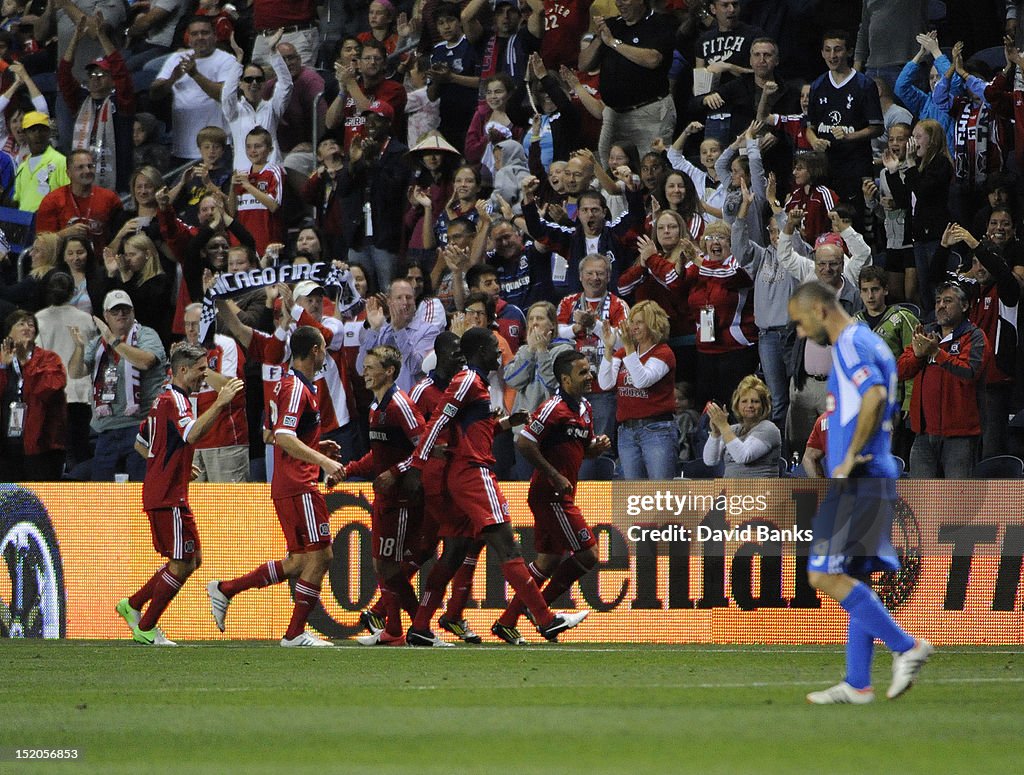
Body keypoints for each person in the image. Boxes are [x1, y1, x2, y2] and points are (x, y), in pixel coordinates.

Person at [788, 280, 933, 704]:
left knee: (822, 573)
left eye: (799, 323)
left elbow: (873, 395)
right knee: (852, 577)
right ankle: (857, 682)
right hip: (875, 474)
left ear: (819, 311)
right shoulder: (872, 343)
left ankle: (907, 646)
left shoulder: (850, 342)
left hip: (860, 477)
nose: (799, 333)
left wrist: (849, 456)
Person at [401, 327, 589, 645]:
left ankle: (420, 627)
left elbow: (471, 429)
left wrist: (504, 424)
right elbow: (438, 422)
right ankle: (545, 619)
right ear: (478, 352)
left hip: (465, 473)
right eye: (493, 348)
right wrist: (417, 467)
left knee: (455, 552)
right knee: (508, 546)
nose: (500, 353)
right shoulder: (467, 381)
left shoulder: (477, 385)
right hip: (473, 474)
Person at [207, 326, 345, 647]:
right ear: (314, 350)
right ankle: (294, 634)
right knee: (321, 557)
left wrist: (316, 444)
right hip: (300, 483)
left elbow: (275, 434)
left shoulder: (288, 384)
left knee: (298, 561)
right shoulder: (297, 387)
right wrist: (324, 463)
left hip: (287, 482)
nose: (325, 352)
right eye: (323, 347)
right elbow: (282, 436)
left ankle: (226, 589)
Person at [115, 343, 243, 646]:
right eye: (201, 369)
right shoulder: (177, 400)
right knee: (182, 562)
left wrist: (172, 461)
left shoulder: (163, 399)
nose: (205, 375)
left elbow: (140, 442)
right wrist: (221, 402)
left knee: (192, 558)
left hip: (167, 490)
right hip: (167, 495)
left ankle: (133, 605)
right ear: (183, 370)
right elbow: (193, 434)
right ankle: (146, 626)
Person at [492, 349, 612, 644]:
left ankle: (507, 622)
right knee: (588, 554)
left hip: (560, 491)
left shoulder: (584, 408)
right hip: (551, 494)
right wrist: (554, 474)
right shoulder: (553, 408)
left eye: (589, 371)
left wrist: (596, 447)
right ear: (565, 379)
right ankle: (541, 611)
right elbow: (524, 442)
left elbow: (581, 447)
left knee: (547, 562)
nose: (589, 377)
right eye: (582, 373)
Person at [338, 344, 426, 646]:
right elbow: (377, 457)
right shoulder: (376, 407)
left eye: (372, 366)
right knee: (381, 564)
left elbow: (425, 447)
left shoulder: (400, 404)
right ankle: (394, 630)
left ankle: (418, 626)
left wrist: (396, 472)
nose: (365, 371)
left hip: (402, 498)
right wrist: (346, 470)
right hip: (386, 497)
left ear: (389, 371)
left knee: (387, 565)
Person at [68, 290, 167, 481]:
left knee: (140, 489)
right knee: (103, 492)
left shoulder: (147, 335)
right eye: (115, 311)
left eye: (125, 310)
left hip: (141, 426)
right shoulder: (98, 343)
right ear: (106, 316)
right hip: (106, 429)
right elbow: (76, 372)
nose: (121, 315)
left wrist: (114, 341)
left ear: (133, 312)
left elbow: (146, 361)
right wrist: (79, 348)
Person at [897, 282, 989, 478]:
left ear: (964, 306)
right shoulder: (925, 333)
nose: (940, 305)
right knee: (920, 502)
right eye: (938, 301)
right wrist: (919, 356)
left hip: (960, 436)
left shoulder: (974, 336)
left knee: (957, 501)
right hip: (923, 434)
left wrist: (936, 353)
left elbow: (969, 373)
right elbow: (901, 371)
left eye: (948, 301)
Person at [578, 0, 676, 166]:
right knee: (610, 170)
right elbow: (583, 65)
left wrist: (614, 43)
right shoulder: (612, 26)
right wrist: (599, 39)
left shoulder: (660, 22)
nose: (619, 4)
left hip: (649, 113)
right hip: (613, 115)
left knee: (650, 168)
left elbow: (653, 59)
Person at [598, 299, 678, 479]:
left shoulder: (663, 353)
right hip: (626, 432)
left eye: (639, 322)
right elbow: (605, 383)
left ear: (653, 324)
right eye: (632, 322)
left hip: (657, 430)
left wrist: (627, 347)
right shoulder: (624, 352)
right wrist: (609, 349)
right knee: (635, 497)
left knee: (660, 495)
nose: (633, 327)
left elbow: (642, 381)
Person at [150, 16, 242, 165]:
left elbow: (224, 95)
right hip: (181, 146)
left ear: (215, 36)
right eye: (195, 34)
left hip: (215, 148)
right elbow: (155, 94)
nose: (200, 37)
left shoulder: (227, 60)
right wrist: (172, 78)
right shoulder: (177, 58)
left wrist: (195, 75)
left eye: (205, 33)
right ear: (188, 38)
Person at [58, 14, 135, 192]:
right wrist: (75, 39)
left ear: (112, 80)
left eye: (101, 75)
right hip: (83, 184)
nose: (95, 79)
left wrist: (101, 36)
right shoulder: (81, 100)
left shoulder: (121, 103)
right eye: (91, 75)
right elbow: (63, 74)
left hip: (117, 183)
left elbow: (121, 72)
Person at [182, 303, 249, 483]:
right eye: (187, 324)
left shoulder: (225, 345)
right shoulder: (181, 352)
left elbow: (230, 387)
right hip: (191, 444)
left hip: (224, 441)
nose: (190, 329)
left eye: (195, 324)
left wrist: (199, 368)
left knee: (228, 506)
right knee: (195, 506)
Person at [0, 309, 68, 481]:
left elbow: (48, 390)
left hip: (41, 445)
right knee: (10, 504)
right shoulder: (2, 360)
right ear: (9, 332)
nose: (27, 327)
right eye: (21, 323)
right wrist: (2, 368)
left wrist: (26, 363)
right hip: (7, 447)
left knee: (40, 504)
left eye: (31, 324)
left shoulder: (49, 359)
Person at [35, 148, 123, 256]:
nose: (87, 171)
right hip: (63, 264)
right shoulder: (52, 200)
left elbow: (119, 235)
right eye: (80, 167)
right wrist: (64, 234)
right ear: (68, 173)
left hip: (102, 263)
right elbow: (41, 243)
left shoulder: (110, 198)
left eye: (90, 166)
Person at [357, 278, 438, 393]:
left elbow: (415, 367)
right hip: (384, 405)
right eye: (399, 298)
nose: (405, 302)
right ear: (389, 302)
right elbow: (361, 368)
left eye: (409, 297)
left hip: (411, 404)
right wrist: (374, 329)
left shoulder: (429, 331)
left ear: (414, 301)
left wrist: (399, 330)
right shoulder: (382, 330)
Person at [702, 374, 781, 478]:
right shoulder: (733, 430)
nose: (749, 406)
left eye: (755, 401)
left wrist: (724, 426)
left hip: (760, 492)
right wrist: (716, 433)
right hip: (731, 492)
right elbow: (710, 460)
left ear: (764, 405)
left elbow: (743, 456)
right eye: (744, 401)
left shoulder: (769, 429)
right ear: (737, 405)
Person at [13, 111, 69, 213]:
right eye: (32, 130)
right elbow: (18, 199)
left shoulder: (60, 161)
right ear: (25, 134)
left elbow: (69, 197)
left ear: (48, 133)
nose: (37, 134)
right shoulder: (22, 167)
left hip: (49, 225)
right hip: (24, 225)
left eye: (42, 130)